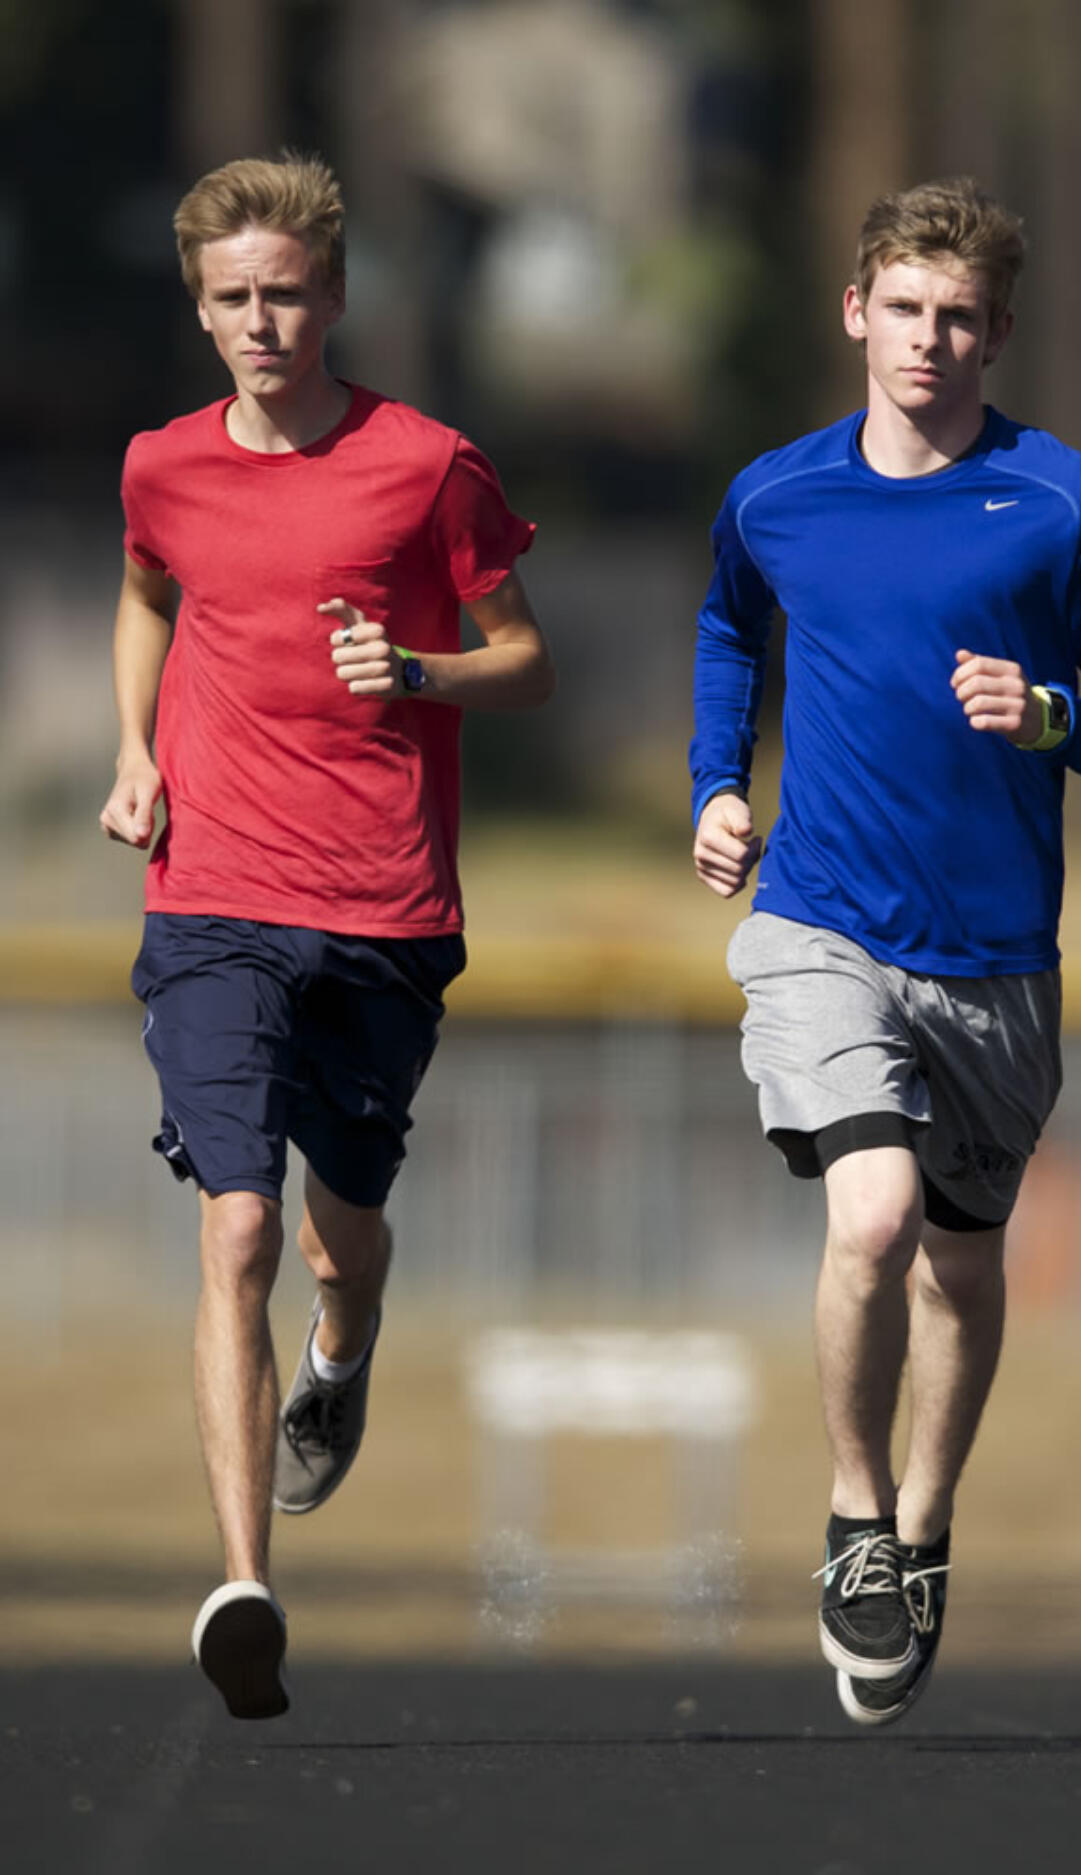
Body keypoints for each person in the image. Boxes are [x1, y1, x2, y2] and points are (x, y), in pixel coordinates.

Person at [689, 177, 1081, 1726]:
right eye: (902, 308)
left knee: (963, 1271)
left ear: (996, 335)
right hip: (821, 920)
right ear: (855, 313)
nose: (926, 338)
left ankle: (921, 1520)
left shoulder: (1062, 503)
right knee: (873, 1216)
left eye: (956, 316)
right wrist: (716, 784)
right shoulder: (777, 494)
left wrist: (1048, 716)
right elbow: (724, 628)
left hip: (994, 961)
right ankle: (848, 1521)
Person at [100, 153, 554, 1720]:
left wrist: (417, 674)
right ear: (199, 306)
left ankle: (341, 1353)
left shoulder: (426, 466)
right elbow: (149, 593)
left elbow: (524, 659)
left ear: (335, 296)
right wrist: (135, 750)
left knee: (329, 1231)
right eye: (231, 299)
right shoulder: (162, 464)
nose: (259, 323)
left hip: (380, 908)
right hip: (211, 894)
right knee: (233, 1224)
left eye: (284, 294)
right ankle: (244, 1591)